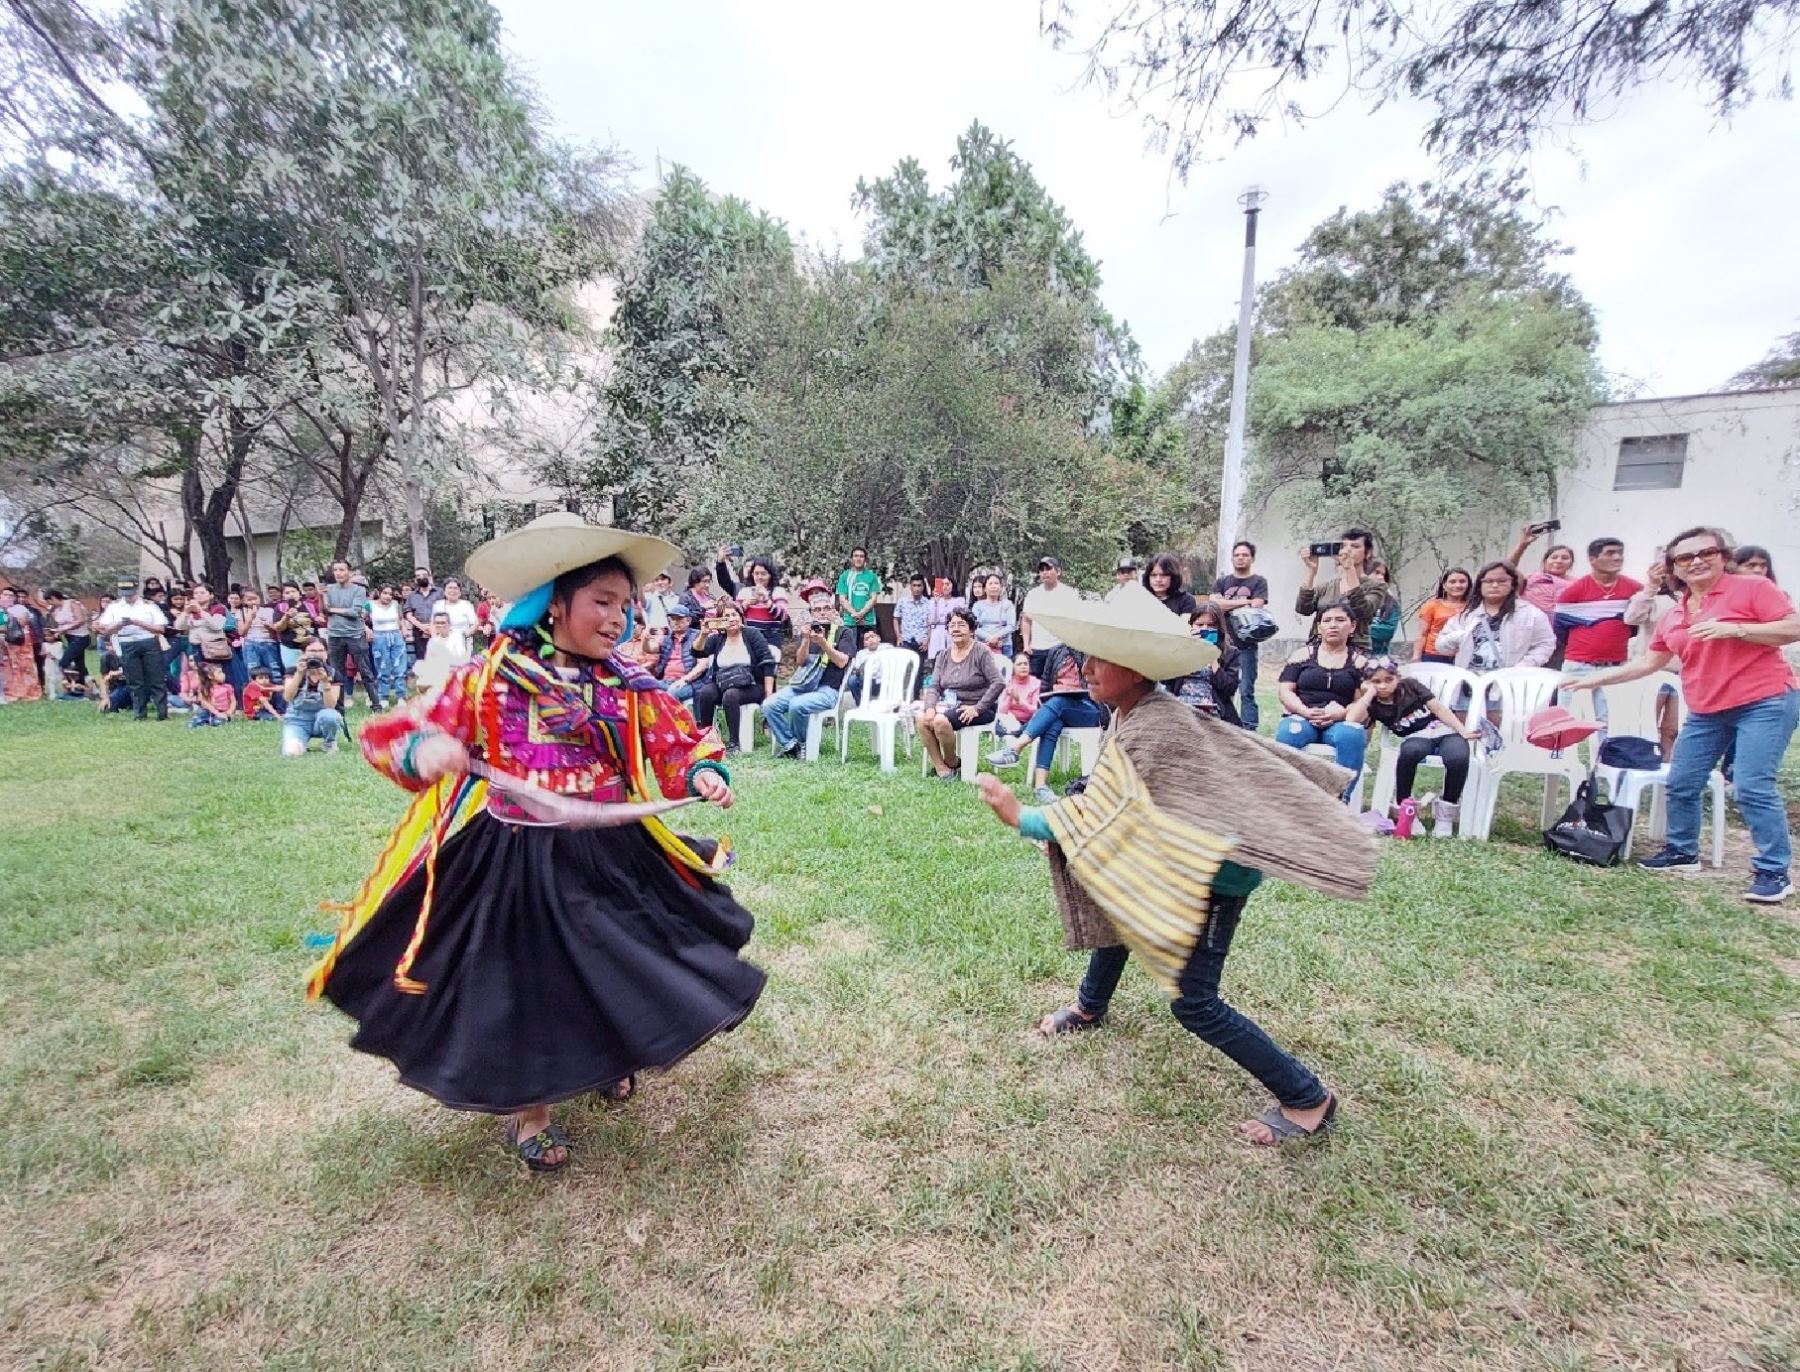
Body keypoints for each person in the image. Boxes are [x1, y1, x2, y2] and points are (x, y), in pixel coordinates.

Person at [309, 512, 765, 1172]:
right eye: (601, 602)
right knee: (529, 980)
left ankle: (609, 1056)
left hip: (613, 852)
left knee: (619, 962)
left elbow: (676, 739)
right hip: (520, 854)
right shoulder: (492, 678)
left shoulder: (625, 683)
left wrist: (700, 771)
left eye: (625, 605)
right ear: (555, 606)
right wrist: (428, 747)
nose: (617, 618)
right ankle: (532, 1114)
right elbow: (392, 736)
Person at [974, 586, 1376, 1146]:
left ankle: (1307, 1098)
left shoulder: (1155, 726)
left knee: (1196, 1002)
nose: (1084, 668)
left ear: (1136, 669)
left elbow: (1101, 811)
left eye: (1098, 659)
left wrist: (1026, 819)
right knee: (1114, 902)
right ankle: (1091, 1008)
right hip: (1180, 857)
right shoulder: (1128, 712)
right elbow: (1122, 805)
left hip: (1216, 875)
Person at [1564, 529, 1800, 904]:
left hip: (1764, 700)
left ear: (1723, 556)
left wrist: (1737, 629)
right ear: (1674, 567)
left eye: (1705, 552)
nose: (1695, 562)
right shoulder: (1675, 612)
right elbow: (1650, 661)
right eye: (1684, 558)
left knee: (1753, 784)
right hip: (1708, 708)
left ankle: (1773, 871)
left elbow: (1793, 628)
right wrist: (1594, 679)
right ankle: (1682, 852)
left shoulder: (1752, 588)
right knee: (1682, 780)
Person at [1345, 657, 1482, 835]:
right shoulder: (1372, 704)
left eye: (1388, 680)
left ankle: (1446, 813)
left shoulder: (1410, 686)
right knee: (1410, 752)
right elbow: (1352, 719)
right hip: (1414, 736)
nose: (1383, 686)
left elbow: (1439, 709)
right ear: (1367, 683)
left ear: (1397, 678)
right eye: (1376, 682)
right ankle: (1405, 808)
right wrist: (1369, 694)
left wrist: (1462, 730)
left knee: (1458, 756)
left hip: (1442, 730)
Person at [990, 600, 1107, 803]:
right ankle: (1041, 786)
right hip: (1060, 709)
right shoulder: (1054, 652)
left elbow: (1095, 679)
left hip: (1090, 709)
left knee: (1060, 701)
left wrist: (1077, 646)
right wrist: (1046, 700)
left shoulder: (1091, 650)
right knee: (1053, 717)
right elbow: (1045, 687)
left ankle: (1016, 747)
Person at [1275, 602, 1369, 795]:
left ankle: (1339, 800)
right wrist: (1304, 711)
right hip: (1303, 714)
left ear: (1352, 626)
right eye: (1327, 621)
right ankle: (1288, 797)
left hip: (1341, 720)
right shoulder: (1301, 656)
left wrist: (1342, 713)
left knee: (1351, 736)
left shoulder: (1360, 662)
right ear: (1319, 628)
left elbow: (1364, 701)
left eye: (1340, 620)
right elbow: (1285, 691)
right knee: (1289, 732)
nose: (1333, 625)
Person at [763, 590, 858, 759]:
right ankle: (791, 745)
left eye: (826, 608)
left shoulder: (844, 632)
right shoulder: (808, 632)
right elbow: (800, 661)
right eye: (817, 609)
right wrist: (806, 639)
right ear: (811, 613)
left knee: (797, 705)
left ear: (833, 611)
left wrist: (823, 643)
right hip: (804, 686)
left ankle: (803, 743)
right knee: (769, 705)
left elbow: (842, 662)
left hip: (828, 690)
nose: (822, 612)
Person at [917, 608, 1004, 780]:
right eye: (952, 625)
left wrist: (977, 708)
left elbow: (998, 683)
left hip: (978, 707)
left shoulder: (981, 652)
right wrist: (929, 707)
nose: (956, 629)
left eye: (961, 625)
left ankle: (952, 762)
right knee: (922, 719)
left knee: (940, 721)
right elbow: (934, 686)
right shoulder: (943, 655)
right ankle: (941, 768)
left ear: (971, 630)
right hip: (952, 705)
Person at [1555, 538, 1641, 692]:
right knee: (1571, 715)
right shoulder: (1573, 591)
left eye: (1620, 553)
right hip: (1579, 667)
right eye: (1610, 553)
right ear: (1592, 560)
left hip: (1617, 669)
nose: (1617, 557)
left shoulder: (1634, 588)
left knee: (1611, 715)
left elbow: (1637, 625)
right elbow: (1560, 631)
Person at [1436, 562, 1557, 671]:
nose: (1494, 585)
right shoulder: (1468, 615)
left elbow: (1545, 644)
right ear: (1479, 585)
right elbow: (1442, 647)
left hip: (1509, 685)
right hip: (1468, 687)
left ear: (1513, 584)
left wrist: (1525, 665)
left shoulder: (1531, 614)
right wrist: (1462, 635)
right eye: (1488, 581)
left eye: (1502, 581)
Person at [690, 601, 776, 752]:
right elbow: (697, 652)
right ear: (720, 622)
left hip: (752, 685)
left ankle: (733, 743)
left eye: (734, 615)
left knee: (730, 696)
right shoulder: (718, 639)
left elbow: (768, 663)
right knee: (706, 692)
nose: (731, 619)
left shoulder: (752, 634)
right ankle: (707, 738)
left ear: (741, 617)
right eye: (726, 617)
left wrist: (768, 695)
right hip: (724, 682)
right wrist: (703, 634)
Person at [1295, 529, 1387, 649]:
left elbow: (1363, 610)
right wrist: (1311, 571)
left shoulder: (1376, 586)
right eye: (1343, 546)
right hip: (1320, 649)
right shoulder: (1327, 586)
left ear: (1368, 553)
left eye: (1355, 546)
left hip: (1355, 650)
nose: (1348, 550)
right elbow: (1303, 609)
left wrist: (1350, 569)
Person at [1211, 541, 1269, 729]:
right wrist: (1245, 601)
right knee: (1223, 687)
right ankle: (1225, 726)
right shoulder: (1222, 582)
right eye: (1237, 555)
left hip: (1246, 645)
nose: (1240, 558)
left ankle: (1249, 729)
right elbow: (1215, 605)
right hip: (1223, 644)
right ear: (1232, 558)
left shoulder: (1258, 581)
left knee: (1246, 690)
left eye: (1244, 555)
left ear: (1252, 558)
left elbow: (1258, 605)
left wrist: (1227, 603)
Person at [93, 578, 168, 719]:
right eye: (125, 593)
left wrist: (138, 623)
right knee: (135, 681)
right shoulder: (114, 607)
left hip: (148, 640)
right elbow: (105, 629)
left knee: (156, 679)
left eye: (130, 593)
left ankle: (162, 713)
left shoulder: (149, 605)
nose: (127, 596)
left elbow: (160, 628)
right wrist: (120, 625)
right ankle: (139, 713)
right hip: (126, 642)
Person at [1172, 603, 1241, 727]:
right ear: (1191, 626)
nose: (1204, 629)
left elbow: (1228, 690)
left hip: (1213, 709)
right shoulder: (1178, 648)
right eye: (1199, 625)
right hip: (1180, 706)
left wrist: (1211, 657)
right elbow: (1166, 680)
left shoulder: (1230, 653)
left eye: (1210, 626)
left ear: (1219, 629)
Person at [322, 561, 379, 710]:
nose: (338, 573)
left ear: (350, 572)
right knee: (337, 672)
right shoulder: (329, 589)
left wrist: (333, 610)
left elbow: (354, 612)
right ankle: (338, 705)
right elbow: (324, 610)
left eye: (342, 570)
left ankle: (376, 704)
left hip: (355, 635)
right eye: (335, 570)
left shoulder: (358, 590)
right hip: (335, 635)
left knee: (365, 671)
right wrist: (322, 596)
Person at [1020, 556, 1079, 680]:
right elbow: (1026, 620)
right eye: (1042, 570)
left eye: (1048, 568)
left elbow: (1074, 621)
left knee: (1059, 684)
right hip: (1037, 648)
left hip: (1060, 647)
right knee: (1036, 685)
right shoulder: (1033, 594)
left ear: (1058, 571)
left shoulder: (1069, 594)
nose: (1044, 572)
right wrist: (1026, 644)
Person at [280, 652, 349, 755]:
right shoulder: (293, 671)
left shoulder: (333, 673)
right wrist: (299, 674)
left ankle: (329, 743)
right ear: (303, 653)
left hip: (322, 718)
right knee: (291, 752)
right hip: (298, 720)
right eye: (312, 651)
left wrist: (325, 681)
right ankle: (299, 741)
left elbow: (330, 706)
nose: (316, 655)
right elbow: (288, 697)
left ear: (326, 654)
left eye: (320, 651)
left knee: (331, 716)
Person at [724, 555, 790, 651]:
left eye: (763, 574)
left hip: (771, 637)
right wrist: (745, 605)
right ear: (752, 575)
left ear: (770, 575)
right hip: (750, 636)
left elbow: (783, 617)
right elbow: (734, 616)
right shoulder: (744, 592)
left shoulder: (778, 591)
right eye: (756, 573)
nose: (759, 577)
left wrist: (767, 601)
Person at [1509, 524, 1577, 615]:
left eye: (1565, 558)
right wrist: (1523, 545)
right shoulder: (1530, 580)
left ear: (1571, 563)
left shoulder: (1578, 584)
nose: (1559, 561)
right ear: (1544, 562)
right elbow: (1507, 567)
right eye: (1554, 557)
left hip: (1565, 626)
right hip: (1531, 626)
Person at [1414, 568, 1472, 663]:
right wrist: (1416, 658)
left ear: (1468, 585)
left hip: (1463, 656)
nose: (1457, 585)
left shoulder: (1473, 607)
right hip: (1433, 656)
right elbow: (1421, 634)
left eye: (1462, 581)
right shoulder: (1432, 605)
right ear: (1444, 585)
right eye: (1452, 582)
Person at [0, 587, 43, 702]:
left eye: (11, 595)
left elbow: (23, 622)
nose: (8, 597)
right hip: (4, 642)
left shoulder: (19, 608)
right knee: (7, 667)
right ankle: (10, 692)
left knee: (24, 667)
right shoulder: (1, 610)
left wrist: (8, 617)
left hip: (20, 642)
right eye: (5, 595)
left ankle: (27, 692)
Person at [46, 590, 91, 689]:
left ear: (53, 598)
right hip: (69, 637)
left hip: (81, 637)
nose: (49, 604)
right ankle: (83, 686)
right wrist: (57, 631)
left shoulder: (72, 604)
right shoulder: (56, 610)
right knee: (79, 663)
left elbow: (80, 620)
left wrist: (65, 628)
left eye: (49, 601)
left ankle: (70, 683)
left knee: (64, 662)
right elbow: (60, 624)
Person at [835, 547, 882, 634]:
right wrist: (854, 614)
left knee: (868, 647)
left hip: (868, 622)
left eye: (861, 556)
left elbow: (874, 599)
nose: (858, 559)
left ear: (865, 559)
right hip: (849, 622)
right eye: (856, 556)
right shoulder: (844, 576)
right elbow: (842, 599)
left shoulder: (872, 576)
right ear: (851, 559)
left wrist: (861, 613)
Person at [995, 653, 1041, 738]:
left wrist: (1019, 700)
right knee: (1006, 720)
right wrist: (1010, 696)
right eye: (1019, 664)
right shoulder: (1008, 681)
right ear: (1013, 667)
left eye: (1026, 664)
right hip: (1009, 720)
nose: (1023, 667)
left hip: (1030, 722)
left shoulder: (1036, 683)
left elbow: (1036, 710)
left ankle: (1019, 732)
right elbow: (1001, 712)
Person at [972, 573, 1017, 658]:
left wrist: (997, 637)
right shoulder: (978, 605)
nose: (993, 586)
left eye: (996, 583)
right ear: (985, 588)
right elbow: (974, 627)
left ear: (1000, 588)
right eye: (990, 584)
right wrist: (989, 638)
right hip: (982, 645)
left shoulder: (1007, 604)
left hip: (1004, 646)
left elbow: (1011, 626)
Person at [1141, 553, 1197, 618]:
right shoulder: (1141, 600)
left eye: (1164, 575)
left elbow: (1186, 626)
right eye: (1154, 575)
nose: (1158, 579)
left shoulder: (1186, 600)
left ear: (1173, 577)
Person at [1367, 560, 1403, 655]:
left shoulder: (1391, 602)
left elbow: (1387, 631)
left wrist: (1361, 630)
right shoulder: (1355, 598)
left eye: (1383, 575)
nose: (1381, 577)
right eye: (1377, 572)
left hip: (1378, 656)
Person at [924, 577, 964, 658]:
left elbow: (959, 616)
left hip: (953, 631)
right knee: (937, 660)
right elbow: (933, 621)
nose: (945, 586)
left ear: (953, 586)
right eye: (942, 584)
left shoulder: (959, 600)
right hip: (938, 632)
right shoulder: (933, 601)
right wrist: (936, 603)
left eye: (947, 584)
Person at [188, 663, 238, 727]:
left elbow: (233, 701)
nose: (223, 674)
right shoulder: (205, 688)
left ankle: (213, 721)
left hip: (223, 711)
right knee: (193, 723)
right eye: (219, 673)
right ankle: (205, 721)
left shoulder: (228, 687)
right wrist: (216, 712)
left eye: (222, 672)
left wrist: (230, 711)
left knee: (218, 722)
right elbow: (205, 703)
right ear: (210, 676)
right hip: (209, 711)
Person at [433, 578, 480, 646]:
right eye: (450, 588)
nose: (452, 590)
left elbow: (475, 624)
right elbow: (433, 625)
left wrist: (464, 635)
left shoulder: (466, 605)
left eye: (455, 588)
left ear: (460, 592)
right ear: (444, 591)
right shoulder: (438, 605)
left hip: (463, 645)